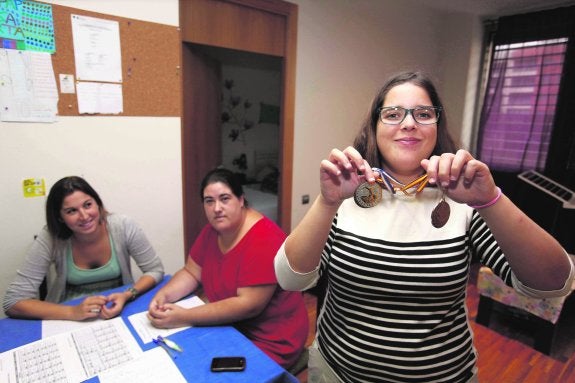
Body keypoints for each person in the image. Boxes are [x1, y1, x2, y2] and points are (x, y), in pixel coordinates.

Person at [274, 71, 574, 383]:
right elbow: (289, 279)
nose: (408, 123)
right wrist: (327, 202)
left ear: (437, 127)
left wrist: (491, 200)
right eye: (392, 114)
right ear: (374, 128)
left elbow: (553, 284)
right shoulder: (346, 194)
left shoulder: (467, 198)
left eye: (423, 114)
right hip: (339, 374)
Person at [147, 168, 308, 370]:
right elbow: (191, 272)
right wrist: (163, 296)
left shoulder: (264, 238)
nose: (217, 208)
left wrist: (183, 316)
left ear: (241, 200)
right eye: (209, 201)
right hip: (232, 327)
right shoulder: (212, 231)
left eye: (224, 199)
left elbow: (248, 305)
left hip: (271, 339)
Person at [3, 176, 164, 321]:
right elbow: (13, 302)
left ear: (98, 203)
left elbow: (155, 270)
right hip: (68, 315)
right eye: (71, 211)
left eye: (87, 205)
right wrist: (72, 312)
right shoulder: (51, 237)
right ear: (60, 217)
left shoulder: (123, 226)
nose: (84, 216)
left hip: (117, 311)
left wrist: (127, 295)